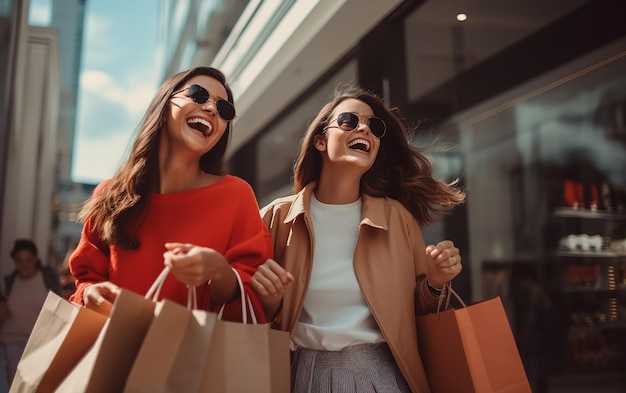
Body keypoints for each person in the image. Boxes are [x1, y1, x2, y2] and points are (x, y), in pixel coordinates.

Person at [251, 85, 466, 392]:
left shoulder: (397, 219)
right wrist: (268, 299)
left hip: (383, 374)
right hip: (302, 375)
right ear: (320, 141)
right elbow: (246, 310)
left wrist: (436, 280)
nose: (365, 128)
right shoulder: (276, 218)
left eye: (374, 126)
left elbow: (418, 313)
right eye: (350, 120)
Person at [68, 66, 272, 322]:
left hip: (195, 357)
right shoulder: (110, 193)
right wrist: (89, 292)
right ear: (164, 108)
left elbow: (253, 299)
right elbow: (85, 278)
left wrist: (220, 272)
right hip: (113, 352)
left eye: (224, 110)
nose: (211, 109)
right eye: (198, 94)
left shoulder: (237, 196)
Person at [0, 239, 62, 385]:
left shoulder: (48, 279)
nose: (24, 264)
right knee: (15, 381)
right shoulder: (9, 282)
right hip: (12, 340)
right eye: (19, 260)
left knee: (36, 383)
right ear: (14, 262)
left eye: (28, 260)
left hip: (40, 341)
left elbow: (59, 307)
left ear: (35, 259)